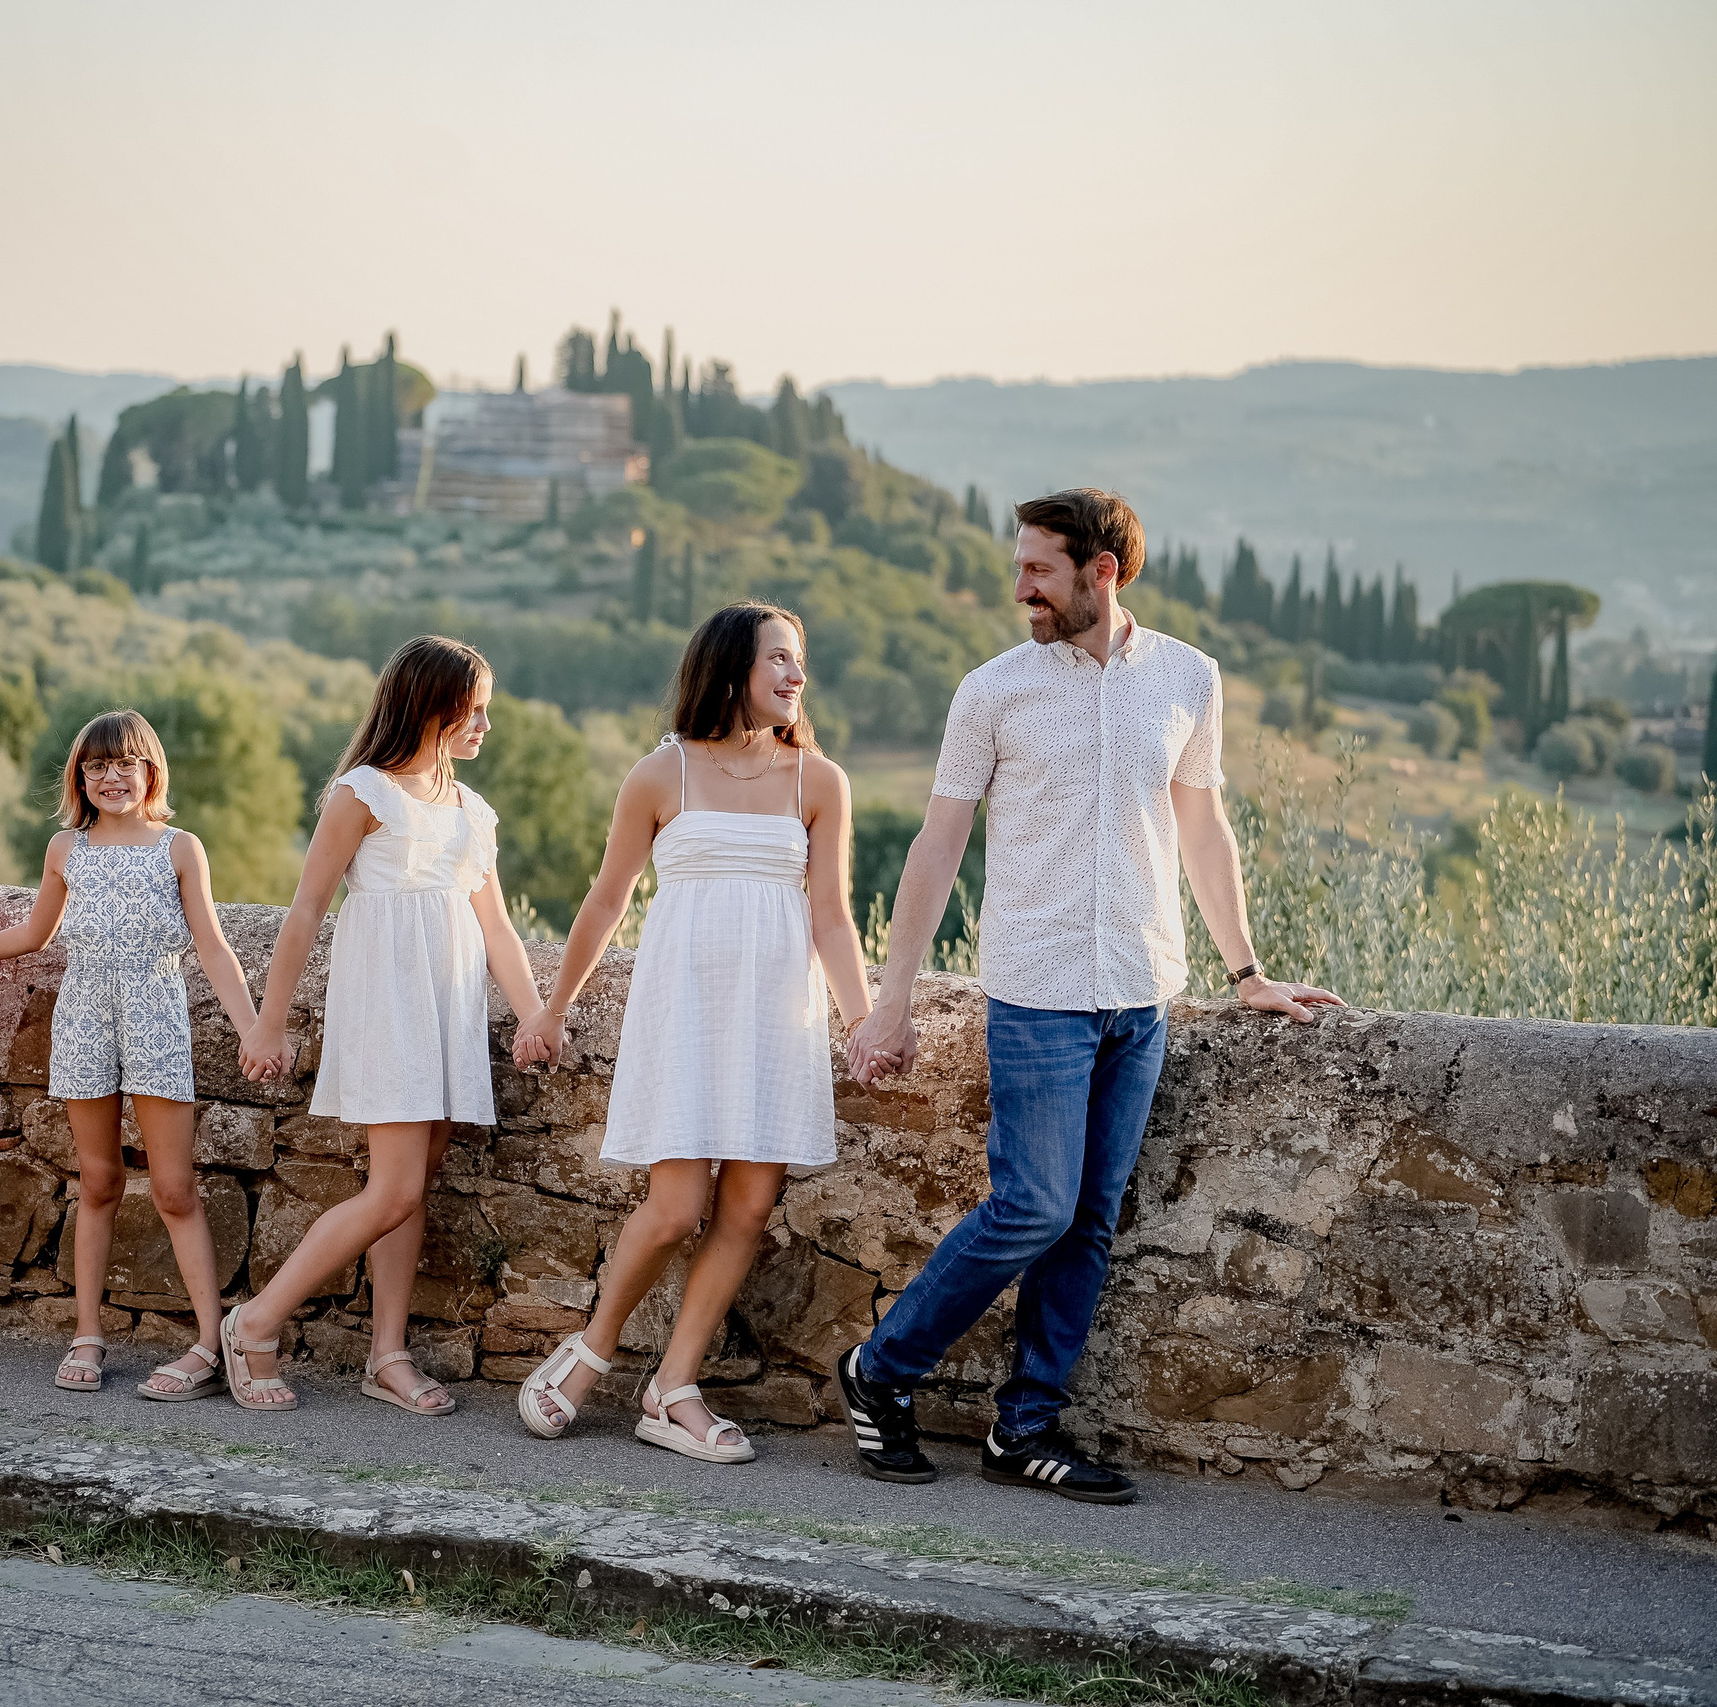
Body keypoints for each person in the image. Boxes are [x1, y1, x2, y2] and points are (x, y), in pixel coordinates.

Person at [841, 488, 1341, 1503]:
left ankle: (1023, 1431)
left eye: (1038, 569)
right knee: (1032, 1206)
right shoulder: (992, 691)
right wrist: (890, 999)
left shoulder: (1188, 680)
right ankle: (878, 1370)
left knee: (1089, 1222)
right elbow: (935, 849)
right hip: (1036, 989)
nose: (1019, 588)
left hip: (1144, 991)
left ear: (1100, 571)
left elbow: (1201, 830)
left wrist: (1245, 972)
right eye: (1019, 567)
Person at [509, 604, 885, 1463]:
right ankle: (590, 1351)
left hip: (774, 1015)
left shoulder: (818, 781)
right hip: (683, 1007)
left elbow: (832, 914)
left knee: (748, 1207)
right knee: (677, 1207)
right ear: (730, 667)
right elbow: (606, 900)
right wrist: (551, 1006)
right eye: (780, 659)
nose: (796, 675)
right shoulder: (659, 773)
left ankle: (672, 1387)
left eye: (801, 661)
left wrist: (861, 1018)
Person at [226, 636, 548, 1414]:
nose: (484, 725)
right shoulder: (363, 793)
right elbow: (304, 912)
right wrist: (269, 1023)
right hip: (390, 1004)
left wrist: (538, 1010)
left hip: (449, 1007)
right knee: (395, 1188)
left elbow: (498, 928)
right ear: (429, 708)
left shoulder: (473, 812)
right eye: (473, 710)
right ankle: (255, 1322)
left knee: (406, 1188)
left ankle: (387, 1353)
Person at [0, 710, 262, 1401]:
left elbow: (214, 947)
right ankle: (88, 1333)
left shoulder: (181, 848)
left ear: (150, 769)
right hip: (84, 1023)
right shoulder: (67, 850)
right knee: (96, 1182)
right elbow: (36, 934)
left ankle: (210, 1345)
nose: (112, 776)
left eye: (125, 762)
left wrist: (252, 1028)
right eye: (97, 765)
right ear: (81, 776)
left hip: (157, 1020)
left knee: (174, 1190)